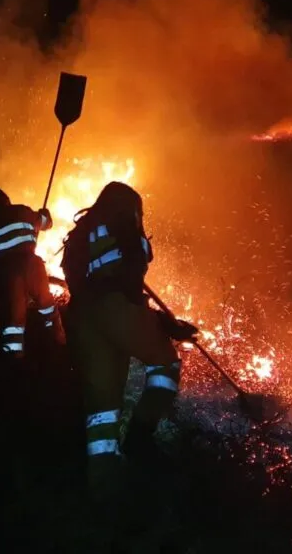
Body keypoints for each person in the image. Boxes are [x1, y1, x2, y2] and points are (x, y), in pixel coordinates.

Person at [60, 182, 198, 507]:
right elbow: (129, 286)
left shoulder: (80, 234)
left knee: (102, 409)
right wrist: (166, 326)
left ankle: (104, 490)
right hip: (114, 308)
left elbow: (82, 280)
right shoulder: (124, 225)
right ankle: (140, 436)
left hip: (82, 319)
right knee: (166, 362)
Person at [0, 186, 64, 358]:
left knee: (13, 320)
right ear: (6, 200)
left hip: (4, 273)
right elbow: (47, 223)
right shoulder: (21, 211)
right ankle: (58, 343)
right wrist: (44, 214)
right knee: (46, 306)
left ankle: (14, 359)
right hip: (30, 265)